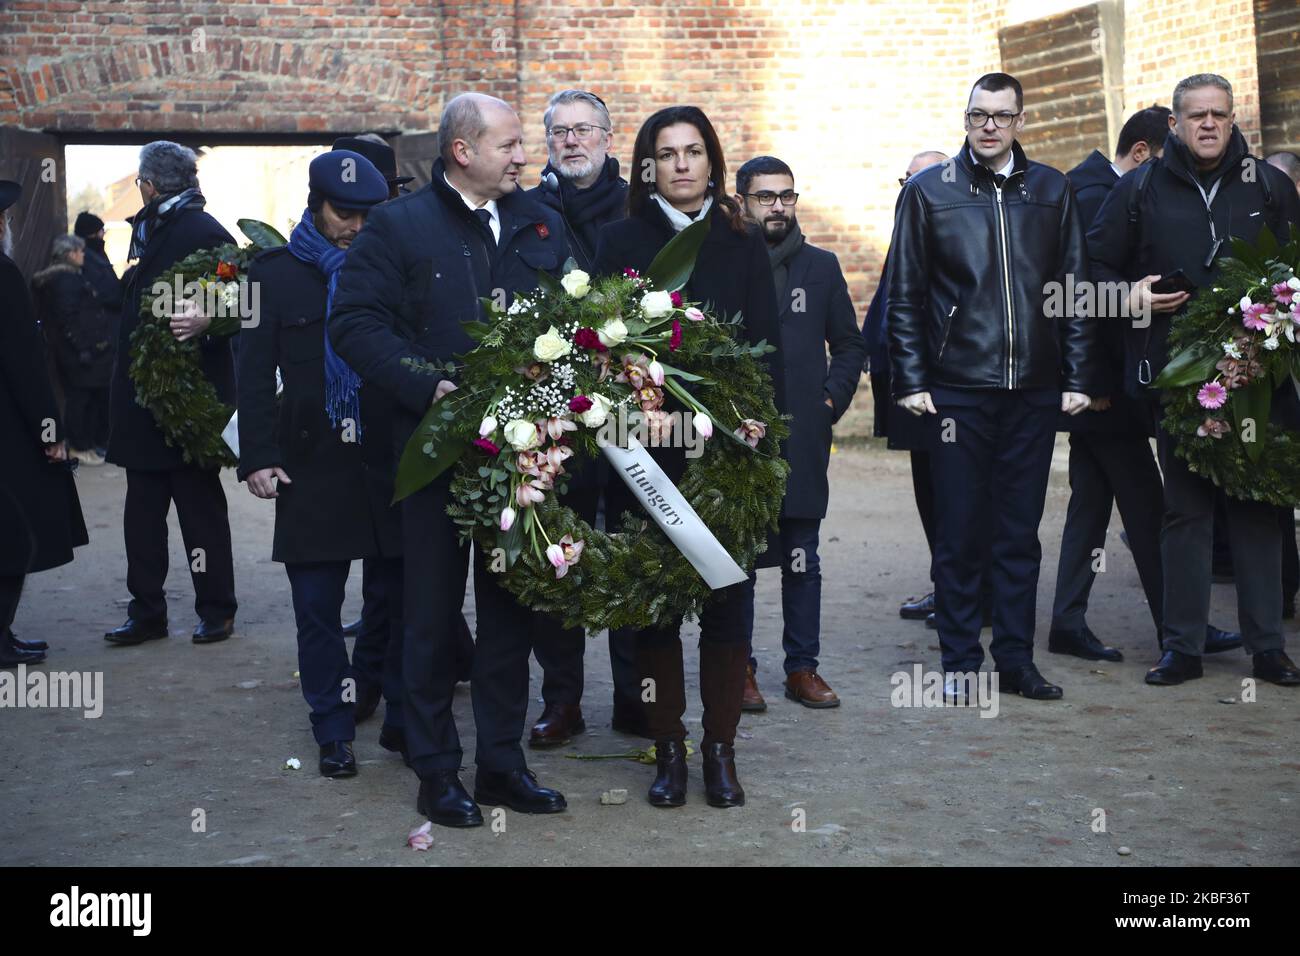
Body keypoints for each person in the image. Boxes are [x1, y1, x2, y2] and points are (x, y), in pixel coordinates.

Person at [330, 93, 573, 827]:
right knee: (429, 618)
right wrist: (422, 382)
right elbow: (353, 322)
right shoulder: (400, 226)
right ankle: (435, 769)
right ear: (462, 151)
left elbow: (575, 321)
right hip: (428, 456)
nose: (524, 156)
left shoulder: (541, 223)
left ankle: (501, 764)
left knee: (509, 618)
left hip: (520, 461)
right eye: (509, 144)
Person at [594, 105, 786, 808]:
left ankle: (720, 753)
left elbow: (768, 353)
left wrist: (767, 445)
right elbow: (599, 352)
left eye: (694, 151)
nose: (681, 164)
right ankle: (668, 751)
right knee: (655, 608)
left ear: (713, 162)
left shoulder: (741, 242)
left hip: (728, 456)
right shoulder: (620, 239)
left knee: (729, 607)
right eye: (667, 153)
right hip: (646, 455)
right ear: (648, 166)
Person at [888, 72, 1096, 701]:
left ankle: (1015, 659)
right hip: (957, 390)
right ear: (966, 117)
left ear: (1020, 121)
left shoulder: (1053, 191)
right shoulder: (929, 193)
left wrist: (1078, 376)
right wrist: (912, 378)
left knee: (1018, 532)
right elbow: (904, 292)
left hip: (1033, 389)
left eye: (1002, 117)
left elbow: (1077, 290)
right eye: (979, 115)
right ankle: (957, 662)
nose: (989, 127)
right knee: (958, 529)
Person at [1087, 73, 1300, 687]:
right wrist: (1128, 296)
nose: (1209, 124)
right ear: (1174, 124)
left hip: (1258, 377)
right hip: (1178, 380)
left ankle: (1268, 648)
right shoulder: (1139, 188)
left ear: (1234, 121)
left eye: (1220, 114)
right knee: (1186, 512)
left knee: (1258, 510)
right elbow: (1092, 268)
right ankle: (1182, 647)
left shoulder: (1271, 186)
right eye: (1196, 115)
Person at [238, 150, 404, 778]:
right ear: (315, 203)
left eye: (367, 213)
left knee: (394, 595)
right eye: (343, 213)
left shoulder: (391, 267)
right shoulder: (269, 275)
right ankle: (332, 729)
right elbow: (251, 373)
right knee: (317, 604)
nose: (355, 226)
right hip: (310, 459)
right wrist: (257, 455)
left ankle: (375, 699)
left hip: (385, 454)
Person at [523, 88, 639, 748]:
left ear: (606, 137)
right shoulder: (529, 213)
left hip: (629, 410)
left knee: (628, 548)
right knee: (556, 554)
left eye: (582, 130)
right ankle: (561, 700)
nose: (571, 141)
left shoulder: (638, 210)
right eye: (558, 132)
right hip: (554, 414)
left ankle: (633, 697)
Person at [732, 154, 865, 710]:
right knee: (737, 558)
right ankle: (738, 668)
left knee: (801, 555)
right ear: (743, 202)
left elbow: (851, 345)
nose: (779, 206)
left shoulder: (821, 266)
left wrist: (828, 402)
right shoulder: (724, 263)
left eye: (786, 195)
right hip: (738, 438)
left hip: (803, 437)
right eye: (766, 196)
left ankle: (803, 668)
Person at [104, 141, 239, 648]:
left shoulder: (202, 229)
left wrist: (208, 317)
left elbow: (242, 295)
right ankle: (147, 611)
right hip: (142, 400)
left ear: (150, 184)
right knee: (142, 512)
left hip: (186, 401)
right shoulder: (148, 228)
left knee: (199, 509)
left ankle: (217, 609)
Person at [0, 180, 89, 667]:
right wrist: (49, 432)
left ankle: (5, 634)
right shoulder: (4, 273)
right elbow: (24, 365)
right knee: (15, 537)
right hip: (10, 433)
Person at [31, 234, 115, 464]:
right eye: (79, 251)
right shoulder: (64, 281)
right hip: (77, 352)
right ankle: (79, 446)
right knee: (80, 399)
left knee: (88, 398)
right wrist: (83, 348)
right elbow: (67, 317)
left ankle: (87, 444)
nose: (83, 255)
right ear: (69, 254)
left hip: (83, 350)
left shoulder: (68, 278)